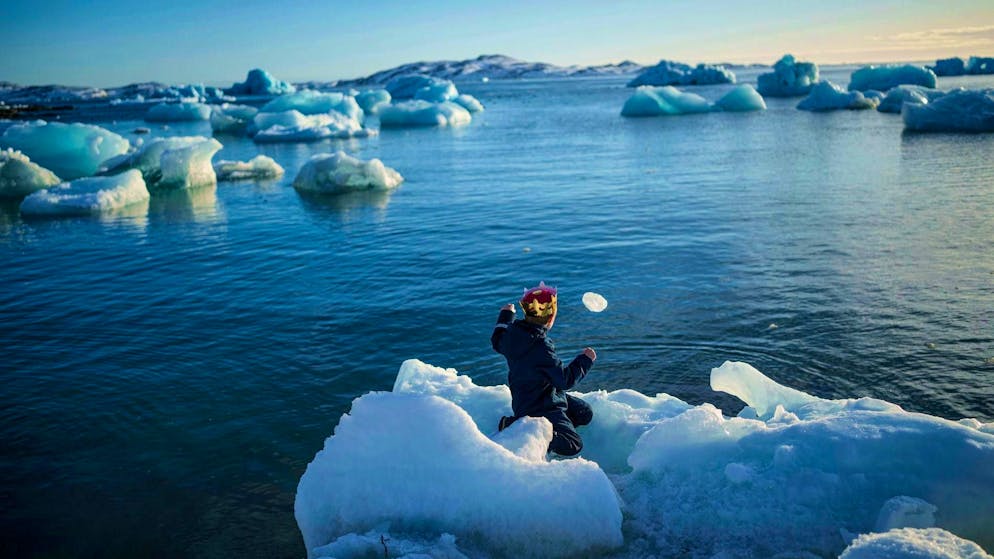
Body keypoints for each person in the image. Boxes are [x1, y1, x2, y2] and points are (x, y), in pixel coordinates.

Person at [490, 282, 597, 457]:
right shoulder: (541, 347)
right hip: (541, 406)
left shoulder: (512, 335)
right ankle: (521, 427)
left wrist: (506, 315)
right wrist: (585, 360)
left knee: (584, 413)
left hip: (535, 396)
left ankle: (552, 425)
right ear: (551, 317)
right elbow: (565, 380)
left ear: (525, 311)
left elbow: (497, 340)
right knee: (573, 444)